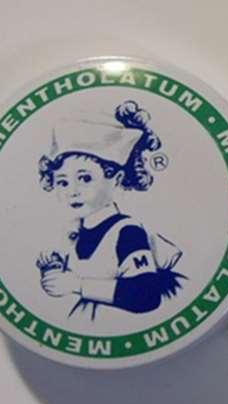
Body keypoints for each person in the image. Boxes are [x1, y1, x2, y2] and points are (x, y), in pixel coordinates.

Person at [36, 100, 184, 320]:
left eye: (85, 178)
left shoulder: (127, 232)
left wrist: (76, 285)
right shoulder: (72, 233)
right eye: (62, 182)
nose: (72, 191)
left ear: (116, 178)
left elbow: (146, 296)